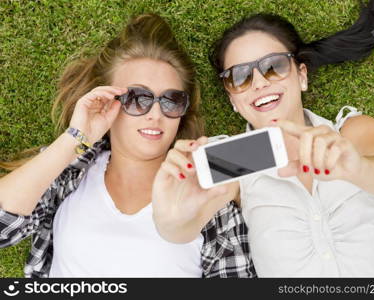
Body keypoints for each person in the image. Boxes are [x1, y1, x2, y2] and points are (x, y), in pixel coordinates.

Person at [152, 0, 374, 277]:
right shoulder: (232, 162)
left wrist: (358, 168)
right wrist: (169, 214)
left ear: (301, 75)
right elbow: (180, 230)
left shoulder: (353, 132)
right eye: (239, 76)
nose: (259, 83)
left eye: (273, 65)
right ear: (233, 99)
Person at [0, 13, 256, 278]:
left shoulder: (209, 199)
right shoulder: (70, 170)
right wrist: (75, 137)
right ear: (105, 100)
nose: (155, 114)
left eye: (171, 100)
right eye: (137, 98)